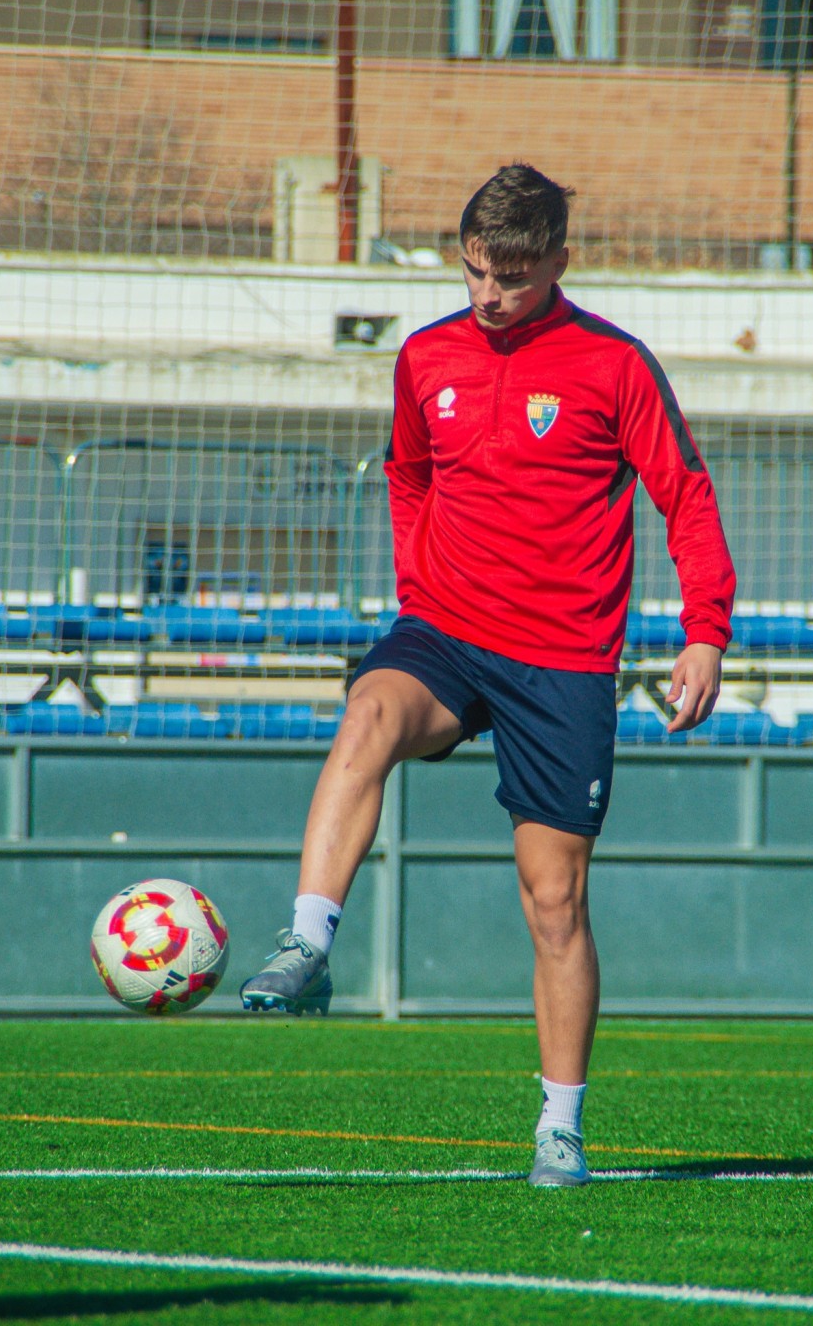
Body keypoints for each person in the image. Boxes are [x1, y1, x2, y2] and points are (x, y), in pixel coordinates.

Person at [240, 163, 736, 1189]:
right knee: (368, 712)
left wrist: (705, 631)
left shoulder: (613, 364)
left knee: (552, 900)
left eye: (511, 276)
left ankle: (560, 1125)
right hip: (448, 628)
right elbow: (409, 472)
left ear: (559, 259)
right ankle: (305, 942)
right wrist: (418, 583)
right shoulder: (424, 356)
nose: (489, 296)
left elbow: (683, 493)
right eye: (474, 272)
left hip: (562, 658)